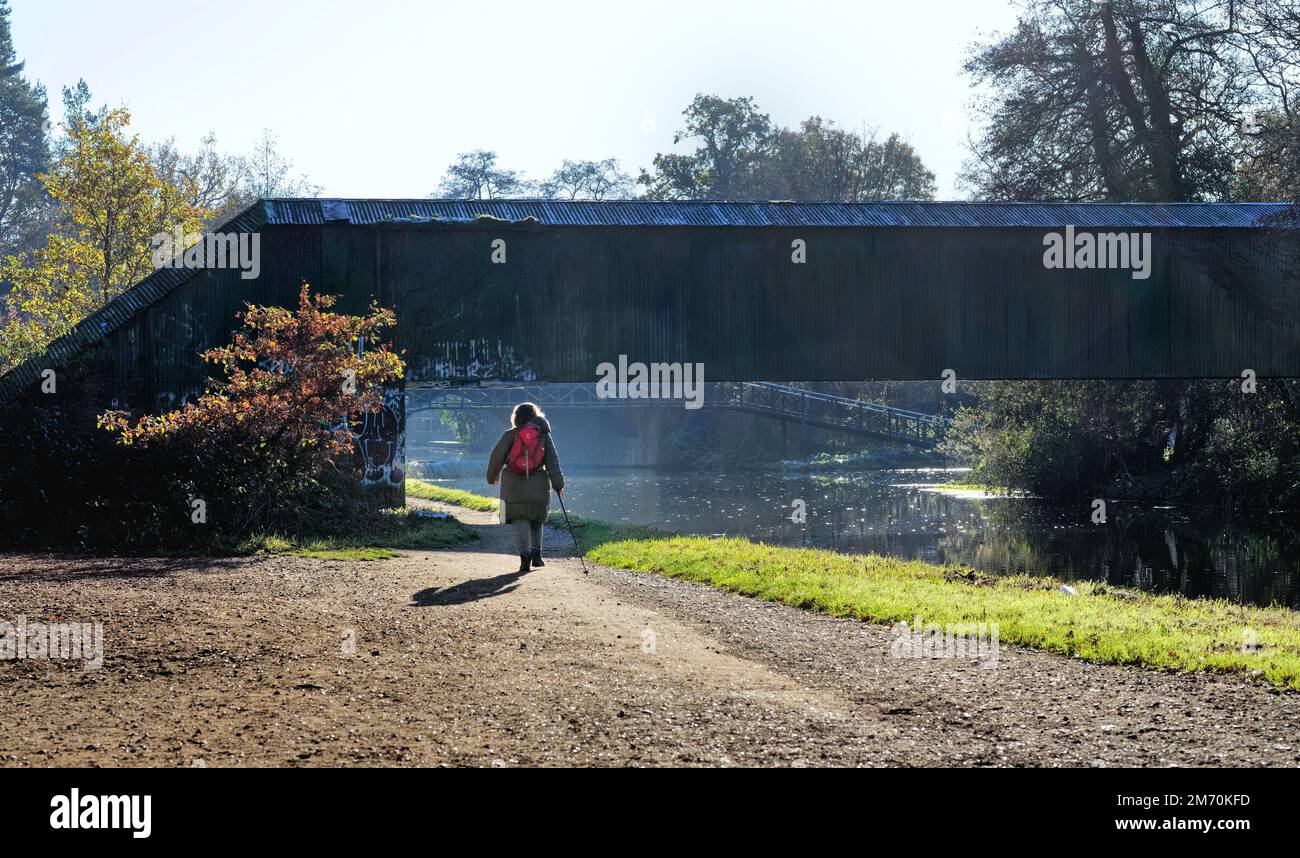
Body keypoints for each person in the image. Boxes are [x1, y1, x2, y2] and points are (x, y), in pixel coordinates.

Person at [487, 402, 565, 573]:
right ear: (534, 415)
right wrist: (558, 485)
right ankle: (537, 553)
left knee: (519, 519)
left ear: (516, 417)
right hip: (538, 482)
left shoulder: (510, 434)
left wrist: (492, 477)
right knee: (536, 518)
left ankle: (524, 558)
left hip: (512, 484)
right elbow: (552, 461)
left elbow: (496, 457)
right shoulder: (544, 436)